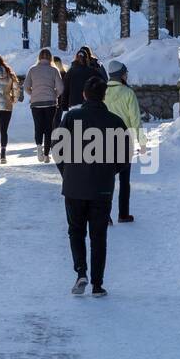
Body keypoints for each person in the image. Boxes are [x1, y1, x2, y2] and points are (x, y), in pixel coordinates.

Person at [52, 76, 130, 296]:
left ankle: (81, 272)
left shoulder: (71, 117)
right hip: (102, 188)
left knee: (76, 231)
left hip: (74, 186)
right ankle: (97, 284)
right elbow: (124, 158)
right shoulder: (115, 122)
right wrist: (108, 172)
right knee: (98, 236)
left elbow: (57, 150)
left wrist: (67, 172)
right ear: (104, 95)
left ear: (84, 95)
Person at [104, 60, 146, 222]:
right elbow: (136, 120)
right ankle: (123, 214)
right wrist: (142, 142)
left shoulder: (102, 91)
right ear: (121, 75)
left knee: (105, 179)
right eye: (125, 73)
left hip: (103, 139)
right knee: (124, 180)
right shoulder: (128, 93)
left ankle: (105, 214)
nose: (126, 75)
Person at [23, 48, 64, 163]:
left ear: (39, 57)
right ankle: (46, 155)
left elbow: (26, 87)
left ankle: (39, 148)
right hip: (50, 103)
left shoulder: (32, 70)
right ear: (50, 58)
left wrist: (33, 93)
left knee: (38, 126)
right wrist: (54, 95)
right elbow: (61, 88)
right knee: (48, 128)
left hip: (36, 103)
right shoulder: (54, 70)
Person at [61, 45, 107, 112]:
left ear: (76, 58)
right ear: (87, 59)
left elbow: (65, 90)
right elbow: (103, 83)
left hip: (75, 106)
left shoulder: (70, 72)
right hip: (89, 105)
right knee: (88, 122)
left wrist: (64, 106)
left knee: (78, 122)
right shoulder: (93, 71)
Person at [52, 55, 68, 127]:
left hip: (55, 99)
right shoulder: (64, 74)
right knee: (56, 119)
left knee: (55, 119)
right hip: (60, 100)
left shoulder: (54, 74)